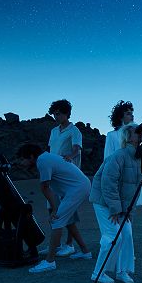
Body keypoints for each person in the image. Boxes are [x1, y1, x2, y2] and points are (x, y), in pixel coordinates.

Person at [17, 143, 93, 273]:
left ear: (31, 156)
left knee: (57, 220)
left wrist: (54, 209)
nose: (21, 163)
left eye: (22, 159)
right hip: (76, 188)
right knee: (67, 221)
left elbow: (45, 187)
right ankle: (85, 251)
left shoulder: (42, 161)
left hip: (77, 189)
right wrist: (55, 207)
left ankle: (50, 261)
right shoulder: (46, 158)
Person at [89, 123, 142, 283]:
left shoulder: (136, 157)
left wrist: (127, 211)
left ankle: (122, 271)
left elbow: (131, 189)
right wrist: (115, 209)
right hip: (103, 202)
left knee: (127, 234)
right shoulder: (119, 156)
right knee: (113, 236)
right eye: (136, 132)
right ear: (128, 137)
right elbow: (108, 183)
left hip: (118, 205)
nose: (140, 134)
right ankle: (98, 273)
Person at [104, 101, 142, 272]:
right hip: (119, 178)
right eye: (127, 113)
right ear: (120, 116)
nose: (131, 115)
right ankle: (119, 247)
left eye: (131, 112)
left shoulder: (136, 135)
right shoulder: (112, 135)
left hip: (133, 179)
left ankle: (128, 249)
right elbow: (108, 158)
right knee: (119, 214)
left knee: (130, 212)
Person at [46, 99, 82, 256]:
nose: (56, 116)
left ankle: (70, 244)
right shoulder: (54, 131)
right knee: (52, 207)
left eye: (58, 113)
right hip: (52, 174)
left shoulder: (74, 131)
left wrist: (70, 156)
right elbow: (51, 149)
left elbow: (76, 149)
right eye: (54, 113)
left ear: (66, 113)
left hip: (67, 175)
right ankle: (56, 244)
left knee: (66, 210)